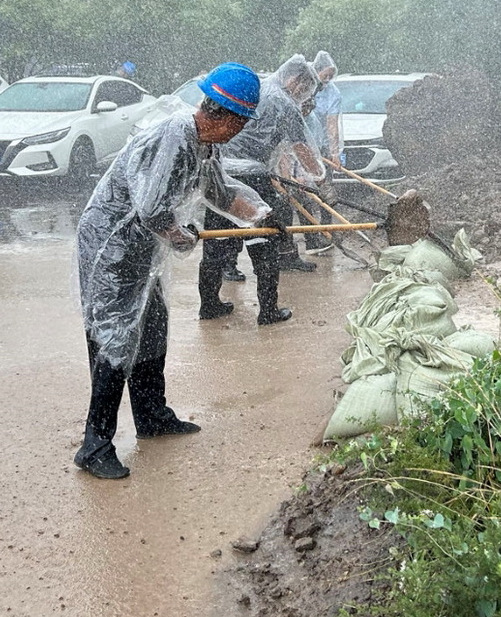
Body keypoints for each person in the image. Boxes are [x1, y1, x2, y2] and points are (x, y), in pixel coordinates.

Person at [74, 62, 270, 480]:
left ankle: (152, 416)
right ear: (223, 114)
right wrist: (182, 237)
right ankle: (94, 446)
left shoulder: (204, 145)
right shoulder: (174, 136)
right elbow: (150, 208)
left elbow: (219, 192)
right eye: (241, 121)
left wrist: (260, 215)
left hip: (144, 244)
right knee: (116, 336)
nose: (239, 131)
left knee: (152, 324)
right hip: (112, 245)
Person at [197, 55, 323, 324]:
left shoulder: (260, 89)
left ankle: (208, 305)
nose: (303, 95)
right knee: (263, 240)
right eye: (304, 88)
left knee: (216, 240)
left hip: (219, 173)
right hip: (252, 177)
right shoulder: (283, 103)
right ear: (295, 79)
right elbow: (301, 146)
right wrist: (317, 175)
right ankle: (268, 310)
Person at [303, 50, 343, 255]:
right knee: (306, 192)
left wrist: (334, 152)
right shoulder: (305, 87)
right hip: (301, 147)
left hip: (322, 148)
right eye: (324, 75)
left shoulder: (333, 93)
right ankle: (311, 235)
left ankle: (327, 230)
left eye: (330, 76)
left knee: (327, 189)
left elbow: (332, 124)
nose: (327, 80)